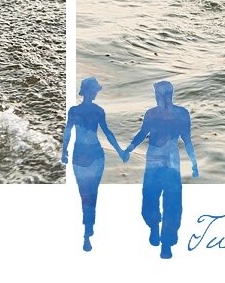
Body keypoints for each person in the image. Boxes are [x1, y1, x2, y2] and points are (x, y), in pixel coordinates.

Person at [125, 80, 198, 259]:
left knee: (169, 203)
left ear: (166, 95)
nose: (156, 98)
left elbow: (187, 140)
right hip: (160, 163)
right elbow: (142, 133)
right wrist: (128, 149)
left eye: (158, 95)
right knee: (155, 201)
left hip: (168, 164)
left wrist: (194, 163)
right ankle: (155, 228)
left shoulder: (180, 114)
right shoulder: (153, 114)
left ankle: (166, 242)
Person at [61, 77, 126, 251]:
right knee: (92, 192)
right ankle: (88, 227)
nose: (97, 93)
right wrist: (120, 151)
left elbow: (68, 133)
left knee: (84, 192)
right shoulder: (98, 111)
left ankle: (87, 227)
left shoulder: (74, 111)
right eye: (95, 90)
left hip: (81, 154)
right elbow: (108, 133)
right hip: (95, 154)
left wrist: (64, 151)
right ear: (90, 91)